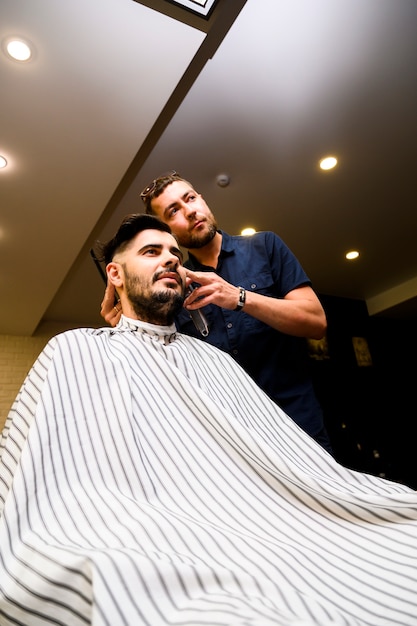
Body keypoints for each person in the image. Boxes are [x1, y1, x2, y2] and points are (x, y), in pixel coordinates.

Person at [2, 212, 417, 626]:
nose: (170, 260)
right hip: (161, 536)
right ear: (115, 274)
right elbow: (46, 478)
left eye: (174, 253)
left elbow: (284, 460)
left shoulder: (214, 359)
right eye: (151, 252)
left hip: (275, 523)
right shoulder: (77, 350)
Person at [102, 172, 332, 453]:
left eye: (190, 198)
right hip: (229, 440)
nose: (189, 211)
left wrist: (238, 297)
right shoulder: (175, 287)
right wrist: (127, 320)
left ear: (202, 199)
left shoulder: (265, 247)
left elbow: (316, 322)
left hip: (298, 425)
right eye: (174, 211)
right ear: (167, 231)